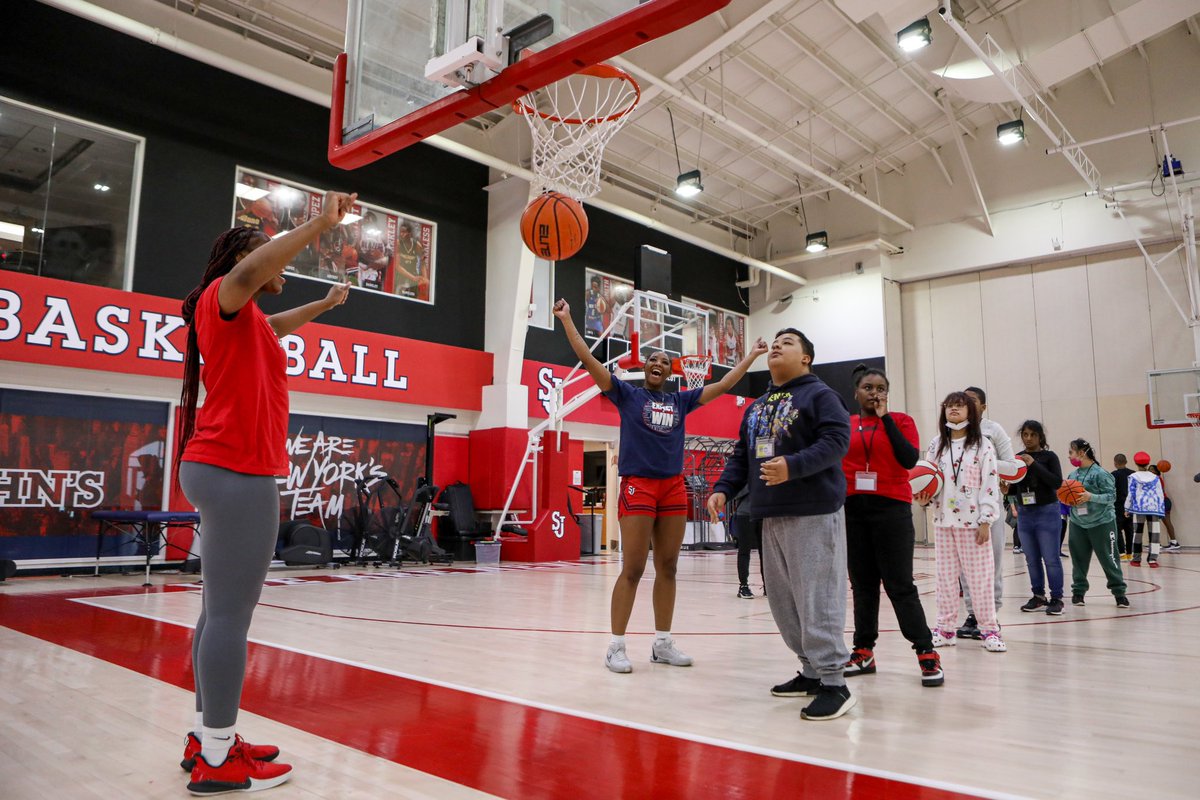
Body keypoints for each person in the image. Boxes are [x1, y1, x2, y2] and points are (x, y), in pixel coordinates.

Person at [176, 190, 357, 794]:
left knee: (215, 613)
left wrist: (323, 305)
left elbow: (277, 324)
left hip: (219, 468)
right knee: (230, 617)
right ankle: (219, 758)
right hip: (237, 472)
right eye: (268, 256)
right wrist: (319, 223)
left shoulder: (247, 320)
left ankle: (207, 737)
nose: (282, 267)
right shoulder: (222, 296)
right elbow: (253, 271)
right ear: (243, 261)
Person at [552, 298, 767, 674]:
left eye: (665, 361)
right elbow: (587, 358)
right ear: (645, 366)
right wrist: (567, 319)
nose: (658, 363)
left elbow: (724, 384)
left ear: (671, 371)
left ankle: (662, 643)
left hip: (672, 487)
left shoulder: (681, 400)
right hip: (638, 485)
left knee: (668, 566)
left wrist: (751, 356)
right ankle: (616, 646)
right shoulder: (627, 394)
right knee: (633, 567)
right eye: (652, 359)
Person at [708, 329, 855, 721]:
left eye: (788, 342)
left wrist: (794, 465)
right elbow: (742, 457)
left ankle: (835, 683)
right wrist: (723, 489)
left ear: (806, 357)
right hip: (770, 514)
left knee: (817, 599)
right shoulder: (757, 407)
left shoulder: (821, 395)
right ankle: (811, 672)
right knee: (784, 603)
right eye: (775, 341)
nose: (776, 345)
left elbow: (837, 441)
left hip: (814, 512)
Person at [840, 365, 942, 688]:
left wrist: (884, 418)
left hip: (892, 511)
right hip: (853, 511)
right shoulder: (846, 424)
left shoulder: (901, 421)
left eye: (881, 388)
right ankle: (863, 651)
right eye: (868, 388)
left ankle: (926, 651)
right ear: (856, 392)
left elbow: (909, 459)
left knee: (900, 585)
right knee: (863, 585)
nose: (875, 393)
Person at [921, 392, 1005, 652]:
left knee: (980, 580)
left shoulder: (982, 445)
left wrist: (986, 520)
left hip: (973, 524)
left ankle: (989, 630)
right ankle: (945, 629)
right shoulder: (937, 444)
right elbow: (927, 477)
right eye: (949, 406)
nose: (954, 409)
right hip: (943, 523)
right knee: (945, 580)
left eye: (959, 405)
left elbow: (990, 484)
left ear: (971, 411)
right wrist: (923, 497)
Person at [955, 387, 1021, 639]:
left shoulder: (994, 430)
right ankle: (972, 614)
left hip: (989, 506)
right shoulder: (953, 431)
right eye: (963, 400)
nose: (966, 404)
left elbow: (1013, 467)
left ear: (983, 407)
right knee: (965, 567)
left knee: (992, 564)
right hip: (960, 509)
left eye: (972, 401)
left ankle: (991, 614)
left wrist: (984, 462)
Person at [1065, 439, 1129, 608]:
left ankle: (1119, 593)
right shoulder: (1072, 475)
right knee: (1078, 560)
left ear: (1081, 453)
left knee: (1109, 558)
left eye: (1071, 452)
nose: (1069, 456)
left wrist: (1090, 496)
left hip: (1102, 522)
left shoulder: (1101, 474)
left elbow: (1112, 497)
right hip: (1078, 523)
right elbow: (1069, 497)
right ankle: (1078, 592)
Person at [1012, 420, 1066, 615]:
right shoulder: (1017, 458)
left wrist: (1033, 464)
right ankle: (1038, 596)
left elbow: (1056, 482)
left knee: (1051, 558)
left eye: (1033, 435)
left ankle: (1057, 598)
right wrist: (1006, 488)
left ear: (1040, 437)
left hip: (1047, 511)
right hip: (1025, 513)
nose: (1028, 438)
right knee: (1031, 559)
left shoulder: (1049, 457)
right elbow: (1013, 487)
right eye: (1025, 434)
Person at [1126, 451, 1166, 567]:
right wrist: (1161, 510)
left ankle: (1136, 559)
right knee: (1154, 534)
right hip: (1154, 508)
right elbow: (1160, 494)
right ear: (1148, 463)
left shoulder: (1133, 477)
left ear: (1135, 463)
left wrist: (1127, 508)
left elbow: (1131, 493)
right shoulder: (1155, 477)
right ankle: (1153, 560)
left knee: (1137, 533)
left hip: (1139, 509)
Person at [1149, 464, 1182, 552]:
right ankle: (1173, 542)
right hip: (1162, 502)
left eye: (1152, 469)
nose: (1150, 471)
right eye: (1149, 469)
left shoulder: (1156, 479)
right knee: (1162, 523)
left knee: (1160, 522)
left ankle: (1159, 544)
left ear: (1157, 471)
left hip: (1162, 502)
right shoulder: (1154, 479)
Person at [1112, 453, 1134, 560]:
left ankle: (1122, 553)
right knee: (1129, 530)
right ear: (1126, 462)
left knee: (1117, 529)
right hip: (1130, 506)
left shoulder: (1113, 475)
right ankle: (1130, 553)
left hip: (1118, 506)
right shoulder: (1133, 474)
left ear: (1115, 463)